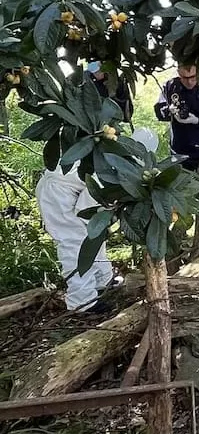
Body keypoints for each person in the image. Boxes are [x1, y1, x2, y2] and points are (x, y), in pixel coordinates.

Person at [36, 127, 158, 312]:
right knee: (74, 243)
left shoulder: (117, 157)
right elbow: (88, 206)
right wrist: (101, 221)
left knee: (93, 235)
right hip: (56, 195)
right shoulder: (115, 165)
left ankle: (103, 279)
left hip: (65, 190)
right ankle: (82, 301)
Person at [154, 64, 199, 240]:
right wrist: (169, 111)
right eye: (185, 78)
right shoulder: (171, 87)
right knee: (176, 193)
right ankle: (179, 233)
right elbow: (159, 110)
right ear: (179, 74)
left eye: (193, 77)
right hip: (178, 152)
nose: (190, 81)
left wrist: (197, 120)